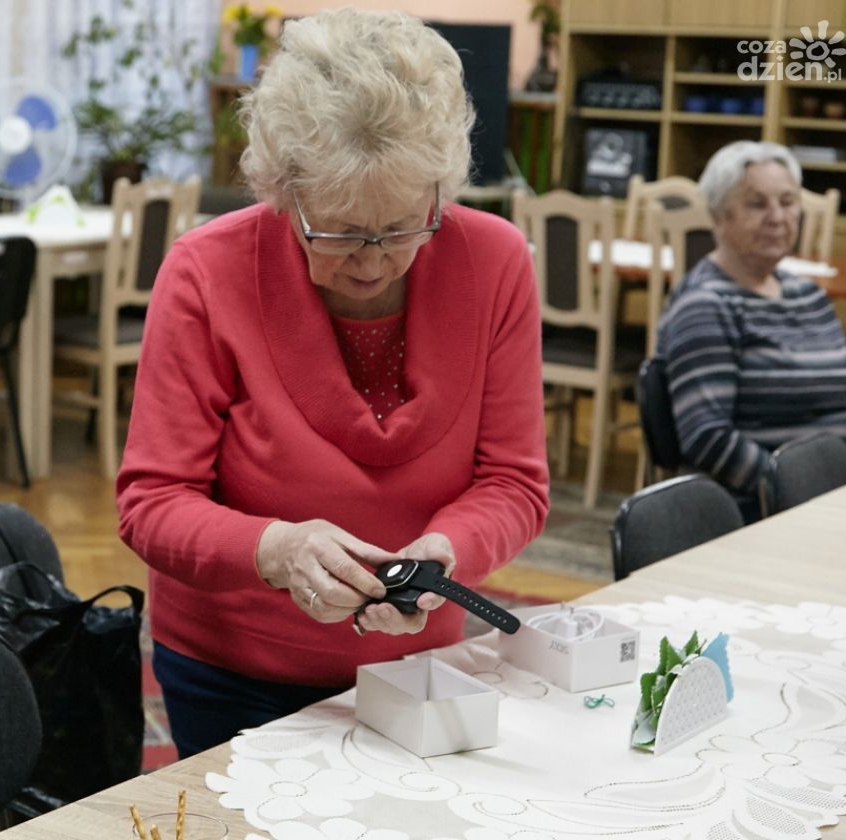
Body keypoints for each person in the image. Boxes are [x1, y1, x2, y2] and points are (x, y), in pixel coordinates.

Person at [115, 8, 549, 758]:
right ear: (282, 190)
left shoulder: (495, 261)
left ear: (441, 189)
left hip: (418, 668)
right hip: (233, 672)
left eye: (405, 225)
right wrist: (276, 549)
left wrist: (448, 553)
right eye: (342, 232)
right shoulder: (206, 271)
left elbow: (514, 481)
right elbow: (151, 504)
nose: (375, 260)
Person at [657, 140, 846, 518]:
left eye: (788, 202)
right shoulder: (705, 304)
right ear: (719, 216)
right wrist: (800, 489)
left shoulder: (809, 295)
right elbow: (707, 438)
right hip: (764, 510)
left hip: (836, 497)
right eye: (757, 204)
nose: (777, 217)